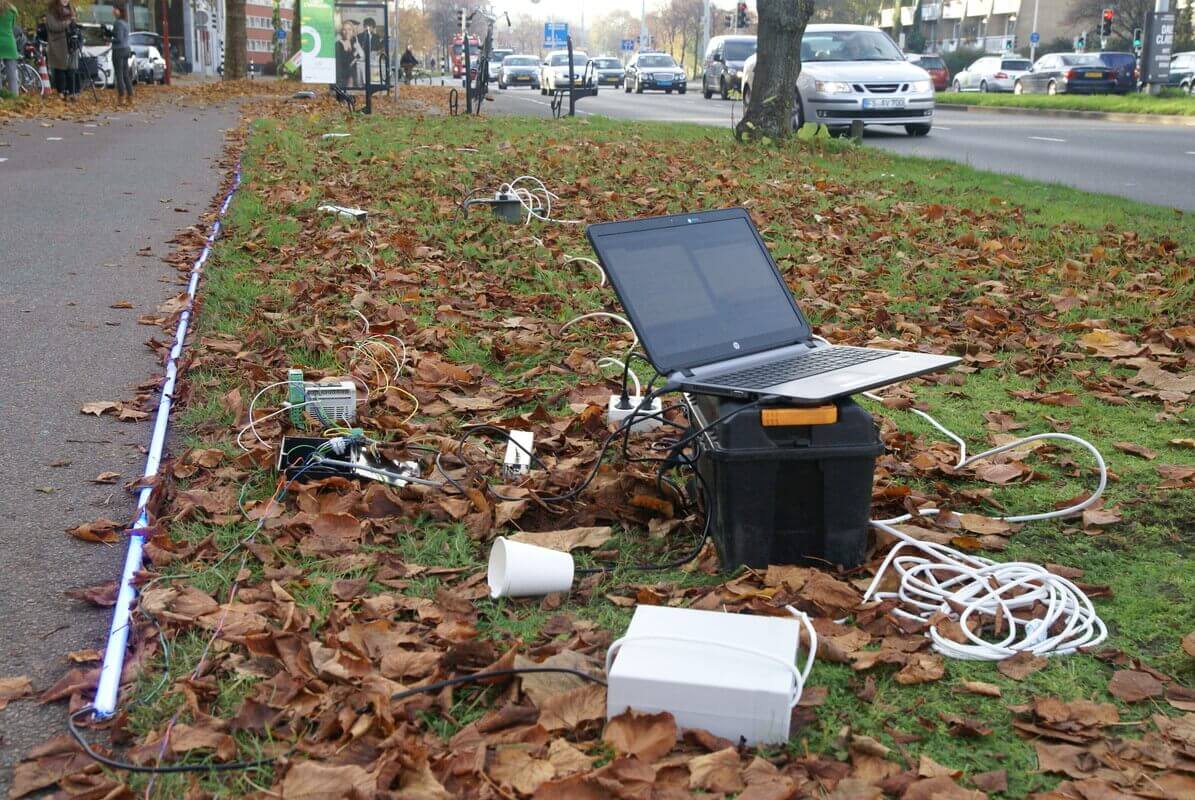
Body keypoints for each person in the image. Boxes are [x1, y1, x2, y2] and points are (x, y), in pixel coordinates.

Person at [45, 0, 78, 99]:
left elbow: (75, 25)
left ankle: (72, 92)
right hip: (58, 44)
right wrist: (68, 22)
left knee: (71, 69)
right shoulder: (52, 11)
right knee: (60, 69)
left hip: (71, 43)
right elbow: (53, 26)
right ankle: (61, 92)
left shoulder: (72, 9)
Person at [109, 4, 131, 104]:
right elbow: (121, 36)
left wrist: (109, 39)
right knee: (126, 73)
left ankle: (121, 96)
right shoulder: (125, 22)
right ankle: (130, 95)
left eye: (114, 9)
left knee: (119, 74)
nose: (112, 10)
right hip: (126, 49)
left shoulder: (118, 23)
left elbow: (119, 39)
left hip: (119, 50)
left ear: (119, 11)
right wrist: (111, 33)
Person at [356, 17, 381, 85]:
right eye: (366, 26)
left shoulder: (376, 37)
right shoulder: (359, 36)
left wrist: (375, 53)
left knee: (371, 78)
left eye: (370, 26)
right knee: (361, 80)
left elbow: (379, 49)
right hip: (361, 61)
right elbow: (356, 49)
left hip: (372, 61)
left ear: (373, 27)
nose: (368, 28)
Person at [334, 20, 360, 87]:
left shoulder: (353, 43)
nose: (347, 32)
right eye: (344, 30)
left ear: (352, 31)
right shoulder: (338, 45)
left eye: (349, 29)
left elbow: (362, 56)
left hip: (354, 77)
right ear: (341, 32)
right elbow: (339, 67)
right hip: (343, 80)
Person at [1, 1, 18, 97]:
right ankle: (15, 98)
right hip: (9, 43)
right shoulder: (12, 10)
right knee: (12, 75)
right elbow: (13, 26)